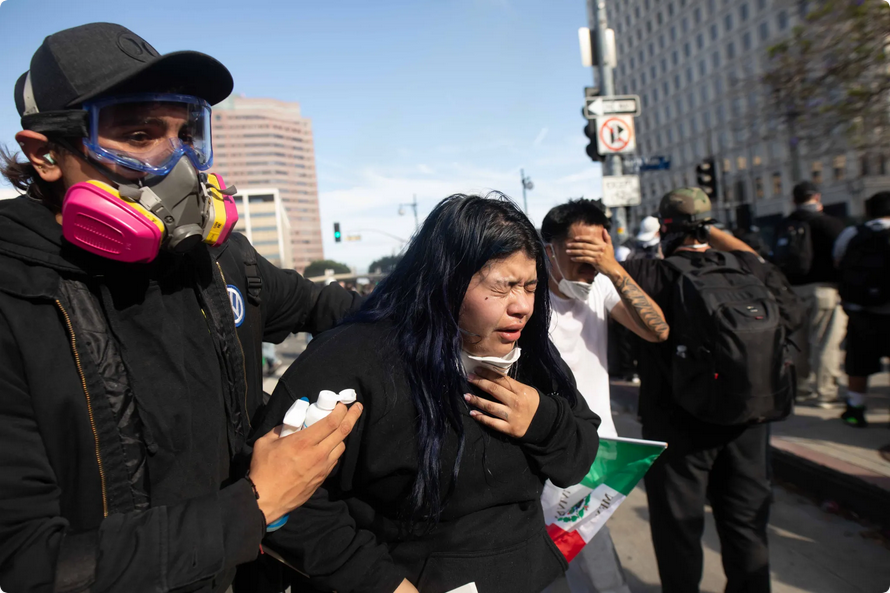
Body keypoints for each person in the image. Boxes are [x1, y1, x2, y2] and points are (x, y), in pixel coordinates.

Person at [0, 23, 364, 592]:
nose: (178, 166)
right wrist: (255, 505)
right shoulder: (12, 301)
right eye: (140, 135)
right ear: (46, 154)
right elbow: (29, 562)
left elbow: (331, 308)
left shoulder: (220, 260)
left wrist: (447, 298)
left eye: (187, 133)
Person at [251, 194, 601, 593]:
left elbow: (579, 458)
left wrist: (543, 420)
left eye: (531, 286)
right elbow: (286, 502)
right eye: (504, 287)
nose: (522, 306)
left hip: (537, 576)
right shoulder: (353, 359)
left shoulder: (533, 352)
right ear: (447, 280)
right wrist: (383, 583)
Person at [623, 188, 803, 593]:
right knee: (746, 524)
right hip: (750, 417)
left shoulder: (649, 274)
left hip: (677, 422)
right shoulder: (746, 267)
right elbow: (794, 314)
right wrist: (719, 235)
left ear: (664, 229)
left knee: (679, 531)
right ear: (711, 225)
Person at [539, 199, 669, 593]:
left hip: (594, 456)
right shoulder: (526, 299)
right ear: (550, 249)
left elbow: (658, 331)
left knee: (593, 569)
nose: (589, 266)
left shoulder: (601, 285)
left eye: (598, 253)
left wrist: (613, 267)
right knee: (561, 567)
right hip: (542, 453)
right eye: (580, 253)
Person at [774, 181, 847, 406]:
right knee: (825, 342)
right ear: (817, 197)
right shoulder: (830, 224)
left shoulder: (785, 225)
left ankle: (800, 388)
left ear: (793, 200)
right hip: (825, 289)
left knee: (798, 342)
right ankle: (825, 393)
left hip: (792, 291)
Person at [834, 192, 890, 428]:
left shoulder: (852, 233)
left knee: (858, 362)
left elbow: (838, 260)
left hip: (860, 311)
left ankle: (855, 410)